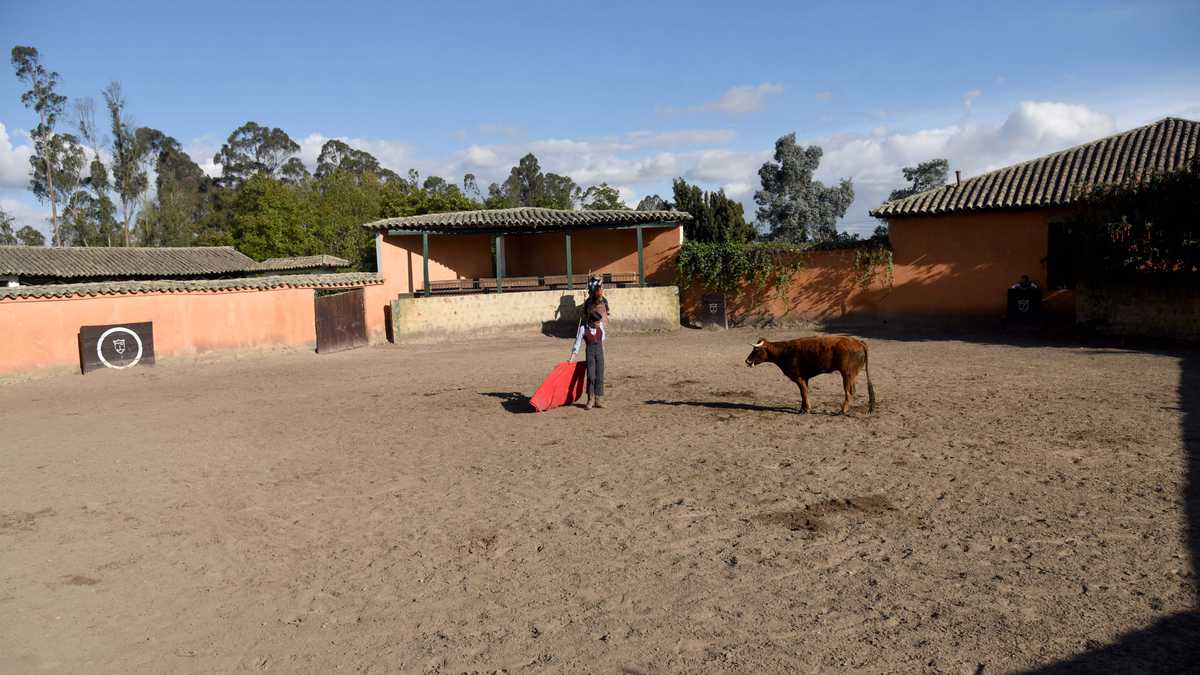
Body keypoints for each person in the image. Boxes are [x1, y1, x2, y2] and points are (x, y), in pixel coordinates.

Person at [569, 309, 607, 410]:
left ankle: (598, 400)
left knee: (599, 375)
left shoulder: (600, 326)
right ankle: (590, 399)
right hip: (590, 353)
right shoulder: (583, 329)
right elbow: (577, 343)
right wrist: (572, 358)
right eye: (597, 322)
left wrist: (602, 352)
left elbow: (602, 340)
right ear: (591, 321)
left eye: (599, 322)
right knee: (591, 376)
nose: (599, 324)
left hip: (599, 353)